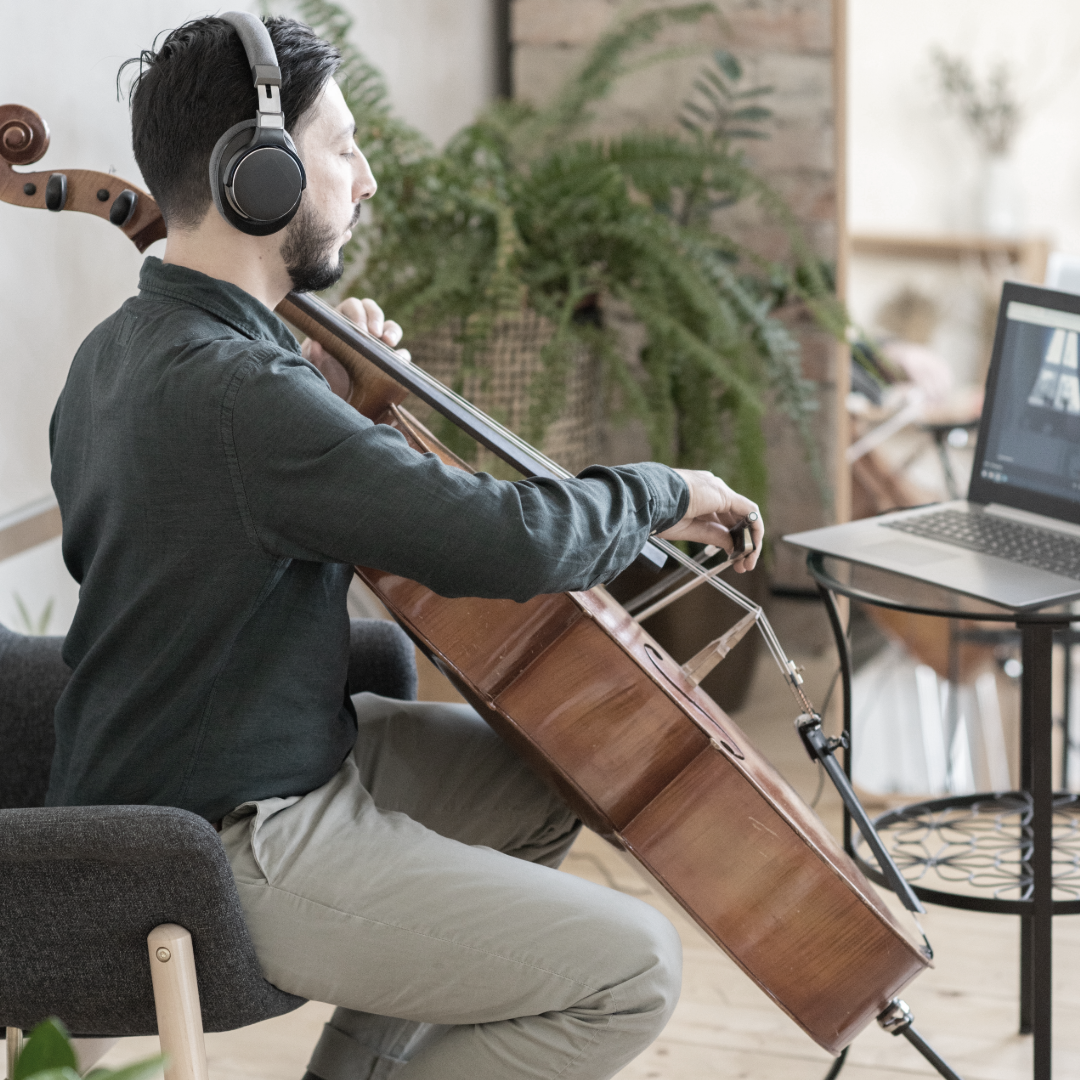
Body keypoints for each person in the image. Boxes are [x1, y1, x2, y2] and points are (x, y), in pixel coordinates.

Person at [46, 14, 763, 1080]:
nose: (367, 179)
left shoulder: (117, 354)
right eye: (342, 148)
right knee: (636, 968)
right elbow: (506, 541)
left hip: (188, 763)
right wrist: (666, 491)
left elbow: (197, 535)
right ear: (262, 177)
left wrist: (330, 402)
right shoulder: (247, 393)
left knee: (553, 773)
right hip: (232, 831)